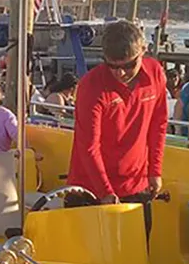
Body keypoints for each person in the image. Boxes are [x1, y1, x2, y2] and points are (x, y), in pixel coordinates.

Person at [67, 20, 167, 238]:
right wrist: (105, 192)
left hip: (136, 185)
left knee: (136, 255)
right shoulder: (91, 87)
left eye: (128, 65)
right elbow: (89, 145)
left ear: (143, 50)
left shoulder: (156, 73)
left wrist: (155, 171)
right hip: (90, 187)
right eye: (112, 66)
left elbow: (158, 125)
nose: (120, 73)